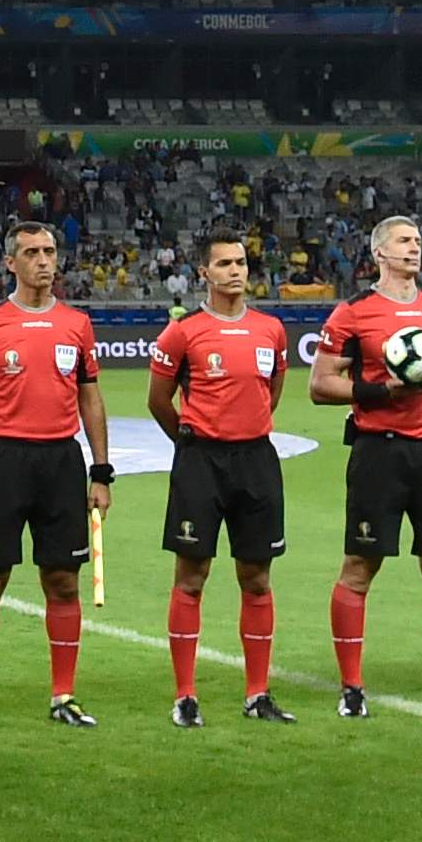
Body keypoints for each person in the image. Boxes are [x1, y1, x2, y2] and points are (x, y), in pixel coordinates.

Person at [0, 218, 111, 729]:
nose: (44, 261)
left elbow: (90, 397)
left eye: (49, 251)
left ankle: (63, 695)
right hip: (2, 461)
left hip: (62, 462)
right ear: (11, 262)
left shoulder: (77, 325)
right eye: (33, 252)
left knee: (63, 582)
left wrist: (101, 472)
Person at [306, 213, 422, 717]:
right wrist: (382, 391)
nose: (414, 248)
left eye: (418, 240)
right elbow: (320, 385)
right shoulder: (353, 314)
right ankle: (351, 687)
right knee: (359, 566)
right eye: (403, 241)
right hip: (380, 451)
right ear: (380, 253)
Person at [147, 231, 294, 723]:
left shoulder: (271, 330)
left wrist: (243, 427)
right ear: (203, 273)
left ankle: (258, 694)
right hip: (201, 463)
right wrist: (190, 443)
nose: (236, 270)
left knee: (257, 577)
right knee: (192, 576)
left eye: (241, 262)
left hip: (256, 460)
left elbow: (271, 393)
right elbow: (158, 400)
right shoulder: (183, 333)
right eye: (224, 263)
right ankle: (185, 696)